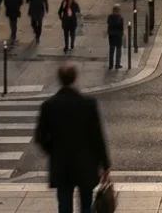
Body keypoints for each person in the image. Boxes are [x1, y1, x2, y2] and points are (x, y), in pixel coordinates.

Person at [35, 63, 111, 213]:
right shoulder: (88, 104)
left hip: (62, 164)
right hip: (86, 163)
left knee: (64, 206)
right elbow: (97, 137)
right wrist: (105, 165)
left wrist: (53, 150)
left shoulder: (49, 105)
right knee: (86, 206)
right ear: (75, 78)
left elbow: (40, 137)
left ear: (59, 79)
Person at [107, 5, 125, 70]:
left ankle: (110, 65)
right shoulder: (120, 18)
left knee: (111, 51)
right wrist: (122, 33)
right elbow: (121, 28)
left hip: (111, 36)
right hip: (118, 37)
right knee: (118, 52)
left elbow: (108, 24)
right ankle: (117, 64)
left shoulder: (110, 17)